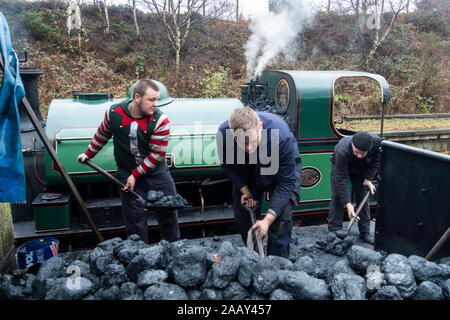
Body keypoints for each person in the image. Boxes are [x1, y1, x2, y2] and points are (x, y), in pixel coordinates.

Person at [77, 79, 180, 244]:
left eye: (157, 99)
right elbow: (103, 134)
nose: (156, 104)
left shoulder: (161, 120)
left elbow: (156, 155)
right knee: (134, 220)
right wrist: (89, 154)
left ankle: (174, 250)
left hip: (157, 175)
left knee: (168, 214)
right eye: (151, 100)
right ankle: (137, 255)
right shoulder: (114, 112)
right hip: (127, 173)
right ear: (137, 97)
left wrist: (135, 175)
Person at [217, 106, 302, 258]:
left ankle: (277, 263)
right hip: (246, 168)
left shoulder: (282, 137)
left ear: (260, 128)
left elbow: (286, 183)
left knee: (281, 219)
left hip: (278, 168)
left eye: (253, 141)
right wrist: (245, 190)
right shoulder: (224, 134)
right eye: (243, 143)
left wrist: (268, 219)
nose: (249, 148)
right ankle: (254, 256)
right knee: (244, 215)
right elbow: (228, 166)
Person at [328, 131, 382, 244]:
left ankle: (365, 231)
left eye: (363, 153)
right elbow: (341, 178)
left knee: (362, 195)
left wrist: (368, 179)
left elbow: (376, 160)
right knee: (337, 196)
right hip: (341, 167)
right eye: (357, 152)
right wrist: (348, 204)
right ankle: (334, 231)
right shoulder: (342, 150)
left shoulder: (377, 142)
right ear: (352, 144)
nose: (359, 155)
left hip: (360, 168)